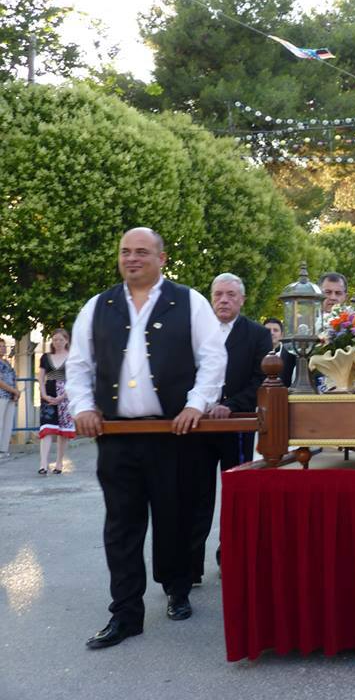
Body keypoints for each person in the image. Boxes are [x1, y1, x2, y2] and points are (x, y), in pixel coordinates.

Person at [66, 227, 226, 649]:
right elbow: (79, 365)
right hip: (117, 435)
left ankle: (176, 588)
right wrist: (82, 406)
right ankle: (125, 613)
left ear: (161, 257)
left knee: (173, 517)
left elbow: (213, 357)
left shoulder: (189, 301)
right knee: (121, 525)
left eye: (141, 252)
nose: (132, 258)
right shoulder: (97, 306)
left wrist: (196, 403)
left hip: (173, 432)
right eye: (125, 252)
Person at [188, 273, 271, 583]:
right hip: (199, 424)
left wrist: (231, 405)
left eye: (230, 295)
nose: (223, 300)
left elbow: (259, 379)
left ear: (242, 300)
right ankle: (191, 566)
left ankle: (230, 556)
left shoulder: (257, 335)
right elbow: (184, 373)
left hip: (236, 425)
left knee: (235, 496)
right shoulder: (195, 332)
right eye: (218, 294)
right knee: (197, 495)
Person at [37, 328, 76, 474]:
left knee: (63, 431)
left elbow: (74, 378)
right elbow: (40, 377)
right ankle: (43, 464)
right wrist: (44, 394)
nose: (57, 342)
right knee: (46, 428)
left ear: (66, 340)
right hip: (49, 391)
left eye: (60, 339)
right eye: (55, 340)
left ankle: (59, 463)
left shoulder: (72, 357)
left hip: (66, 394)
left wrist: (63, 396)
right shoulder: (45, 357)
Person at [264, 317, 296, 388]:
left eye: (275, 330)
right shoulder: (254, 355)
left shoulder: (293, 357)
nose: (272, 333)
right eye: (268, 330)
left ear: (281, 335)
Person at [0, 338, 19, 459]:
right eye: (0, 346)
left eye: (3, 346)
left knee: (7, 424)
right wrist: (13, 390)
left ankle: (4, 449)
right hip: (1, 396)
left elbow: (13, 377)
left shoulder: (7, 362)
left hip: (10, 397)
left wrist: (16, 392)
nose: (3, 348)